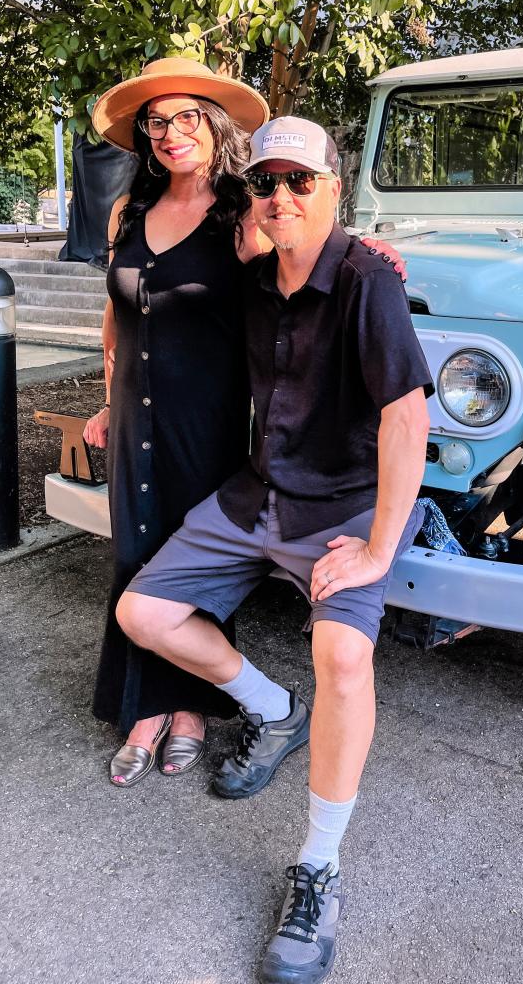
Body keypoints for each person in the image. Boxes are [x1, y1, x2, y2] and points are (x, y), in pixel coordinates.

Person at [115, 116, 433, 983]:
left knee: (342, 653)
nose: (283, 196)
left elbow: (409, 417)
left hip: (340, 510)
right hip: (257, 494)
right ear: (249, 196)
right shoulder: (252, 276)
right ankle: (271, 707)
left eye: (302, 181)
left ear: (336, 189)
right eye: (268, 183)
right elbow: (158, 293)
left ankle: (319, 867)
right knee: (142, 609)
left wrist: (377, 545)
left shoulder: (369, 282)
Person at [83, 57, 270, 786]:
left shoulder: (241, 212)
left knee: (194, 563)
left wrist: (372, 260)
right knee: (134, 554)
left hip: (208, 419)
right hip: (136, 417)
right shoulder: (126, 212)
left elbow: (295, 285)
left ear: (213, 125)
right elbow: (114, 320)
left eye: (185, 116)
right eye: (156, 122)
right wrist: (106, 400)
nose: (169, 133)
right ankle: (145, 709)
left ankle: (190, 708)